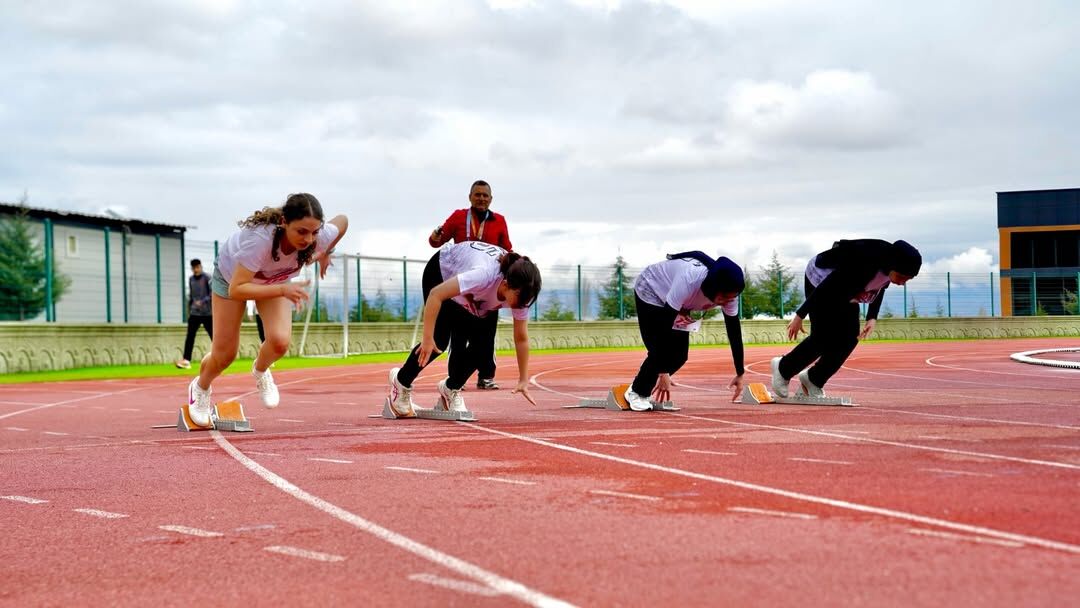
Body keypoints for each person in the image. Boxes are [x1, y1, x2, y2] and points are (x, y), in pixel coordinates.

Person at [186, 193, 348, 427]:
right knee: (225, 355)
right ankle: (200, 387)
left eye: (314, 232)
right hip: (232, 279)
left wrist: (326, 252)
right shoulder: (259, 241)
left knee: (280, 342)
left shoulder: (317, 237)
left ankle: (260, 370)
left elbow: (343, 221)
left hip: (273, 282)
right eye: (301, 231)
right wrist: (282, 290)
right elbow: (238, 290)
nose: (308, 239)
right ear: (283, 222)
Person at [386, 241, 541, 417]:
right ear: (505, 284)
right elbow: (435, 295)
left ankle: (450, 389)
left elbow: (521, 338)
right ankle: (401, 382)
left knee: (484, 350)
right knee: (439, 340)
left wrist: (523, 379)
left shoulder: (522, 293)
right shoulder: (482, 276)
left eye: (526, 301)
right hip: (442, 272)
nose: (521, 306)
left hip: (474, 293)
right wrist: (428, 338)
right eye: (519, 300)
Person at [771, 239, 922, 398]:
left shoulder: (889, 265)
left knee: (850, 337)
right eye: (902, 277)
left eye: (908, 279)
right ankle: (782, 368)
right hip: (821, 278)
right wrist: (800, 315)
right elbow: (827, 286)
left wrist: (872, 317)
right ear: (893, 265)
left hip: (847, 290)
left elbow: (880, 285)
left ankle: (814, 379)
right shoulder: (864, 263)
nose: (903, 283)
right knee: (823, 336)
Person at [625, 251, 746, 411]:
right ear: (713, 286)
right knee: (659, 347)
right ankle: (636, 392)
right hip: (651, 290)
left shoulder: (730, 295)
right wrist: (662, 371)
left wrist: (740, 372)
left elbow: (734, 331)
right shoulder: (689, 279)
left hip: (680, 303)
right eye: (723, 297)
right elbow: (662, 331)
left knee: (680, 356)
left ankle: (643, 391)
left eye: (731, 298)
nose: (726, 302)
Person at [428, 180, 512, 390]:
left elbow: (507, 251)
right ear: (470, 197)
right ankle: (455, 378)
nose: (481, 198)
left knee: (487, 334)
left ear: (491, 199)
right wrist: (435, 236)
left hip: (488, 285)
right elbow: (437, 242)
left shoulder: (499, 221)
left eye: (485, 195)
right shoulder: (458, 216)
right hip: (461, 285)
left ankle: (486, 376)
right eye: (477, 195)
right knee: (458, 335)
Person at [175, 258, 212, 369]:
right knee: (190, 336)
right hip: (194, 313)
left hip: (207, 314)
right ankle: (186, 360)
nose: (196, 269)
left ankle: (220, 357)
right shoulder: (191, 279)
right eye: (194, 268)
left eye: (197, 267)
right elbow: (191, 295)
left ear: (201, 267)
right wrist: (190, 309)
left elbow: (212, 293)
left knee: (214, 336)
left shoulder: (207, 278)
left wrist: (203, 301)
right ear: (192, 269)